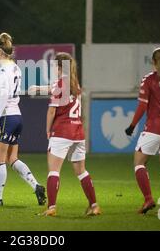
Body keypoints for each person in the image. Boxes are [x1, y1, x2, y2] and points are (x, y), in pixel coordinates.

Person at [0, 33, 46, 206]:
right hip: (17, 116)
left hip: (6, 117)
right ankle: (36, 185)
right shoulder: (15, 67)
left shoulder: (3, 70)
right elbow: (8, 91)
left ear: (0, 52)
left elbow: (3, 95)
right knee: (12, 159)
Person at [36, 52, 101, 217]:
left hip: (62, 131)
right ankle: (94, 205)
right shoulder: (75, 84)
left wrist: (47, 129)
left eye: (54, 66)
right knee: (81, 171)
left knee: (54, 171)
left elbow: (52, 111)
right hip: (78, 132)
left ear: (59, 67)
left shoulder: (60, 84)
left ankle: (51, 208)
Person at [125, 47, 160, 214]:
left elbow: (142, 105)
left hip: (154, 128)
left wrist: (132, 125)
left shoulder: (149, 79)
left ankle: (148, 198)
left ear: (153, 62)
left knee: (139, 162)